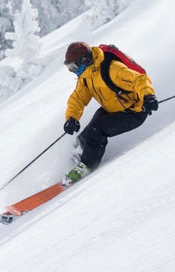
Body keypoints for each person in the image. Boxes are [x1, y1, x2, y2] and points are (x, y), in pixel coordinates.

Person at [61, 41, 158, 186]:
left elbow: (139, 80)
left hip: (133, 111)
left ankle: (86, 166)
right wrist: (71, 118)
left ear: (85, 60)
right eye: (69, 68)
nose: (73, 71)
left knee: (97, 130)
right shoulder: (86, 76)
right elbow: (78, 98)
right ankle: (73, 165)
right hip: (113, 109)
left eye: (73, 67)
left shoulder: (112, 69)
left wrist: (148, 97)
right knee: (84, 137)